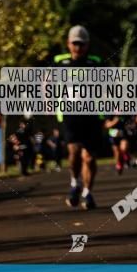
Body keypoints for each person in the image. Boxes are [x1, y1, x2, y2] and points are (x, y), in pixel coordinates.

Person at [53, 25, 104, 210]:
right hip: (69, 114)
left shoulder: (95, 63)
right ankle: (75, 183)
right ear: (68, 44)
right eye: (75, 44)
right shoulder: (60, 62)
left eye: (81, 44)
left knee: (89, 158)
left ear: (87, 45)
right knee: (74, 150)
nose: (78, 48)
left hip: (91, 116)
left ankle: (87, 193)